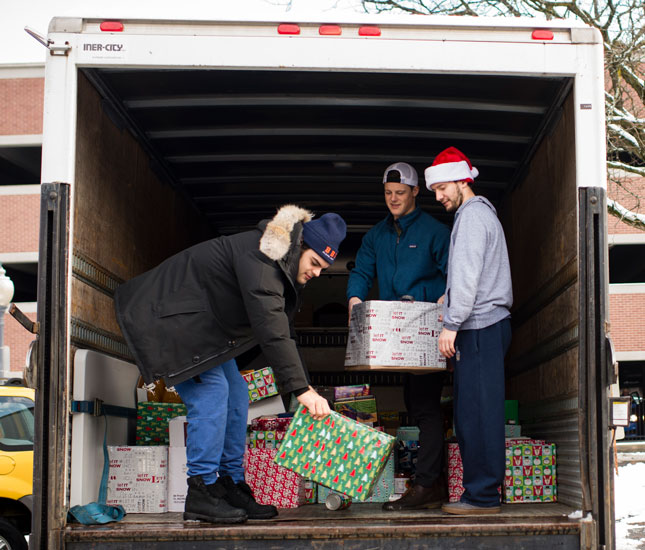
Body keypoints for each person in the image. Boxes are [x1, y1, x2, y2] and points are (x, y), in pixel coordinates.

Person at [114, 205, 346, 524]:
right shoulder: (264, 256)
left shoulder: (280, 263)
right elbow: (270, 328)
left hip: (201, 328)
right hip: (169, 320)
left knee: (236, 391)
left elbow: (285, 333)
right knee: (213, 390)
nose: (318, 273)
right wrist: (301, 391)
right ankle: (202, 488)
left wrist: (305, 387)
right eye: (316, 263)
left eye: (325, 267)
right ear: (300, 246)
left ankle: (229, 483)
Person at [346, 162, 451, 511]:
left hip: (426, 327)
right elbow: (361, 270)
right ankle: (430, 481)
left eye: (400, 193)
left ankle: (426, 485)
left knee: (424, 406)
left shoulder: (435, 231)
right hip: (394, 330)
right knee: (414, 402)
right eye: (388, 193)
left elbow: (455, 271)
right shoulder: (377, 234)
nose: (393, 199)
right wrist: (354, 299)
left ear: (415, 192)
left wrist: (445, 300)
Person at [424, 146, 513, 515]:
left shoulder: (473, 217)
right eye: (434, 191)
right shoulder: (475, 216)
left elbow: (467, 276)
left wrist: (451, 324)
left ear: (463, 180)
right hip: (483, 327)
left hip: (480, 327)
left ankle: (483, 496)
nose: (439, 196)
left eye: (443, 187)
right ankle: (482, 492)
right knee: (473, 412)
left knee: (478, 414)